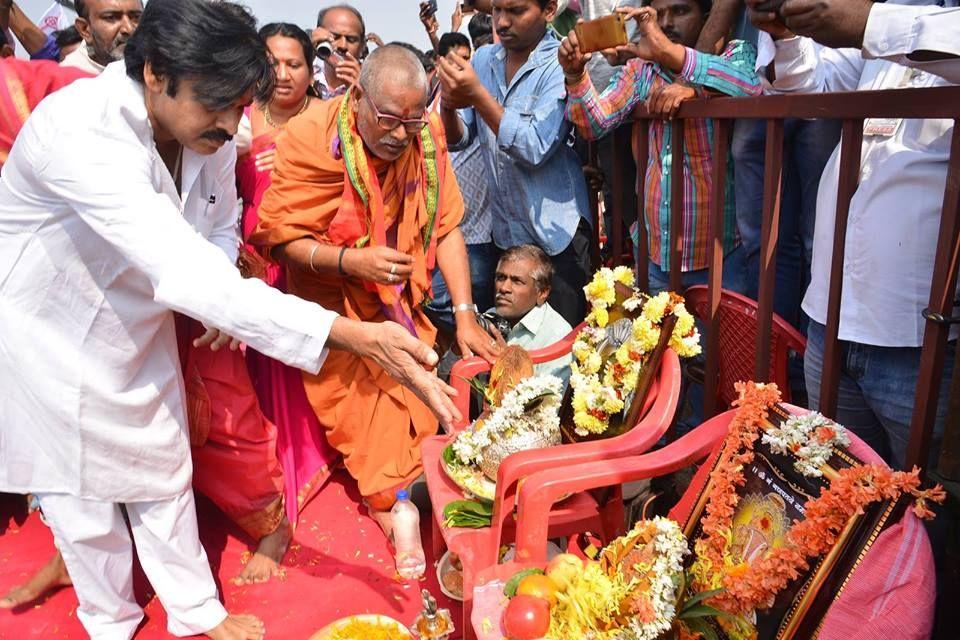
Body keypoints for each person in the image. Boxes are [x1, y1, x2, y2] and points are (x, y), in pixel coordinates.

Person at [0, 3, 458, 640]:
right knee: (82, 493)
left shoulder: (209, 129)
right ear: (157, 74)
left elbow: (214, 227)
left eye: (240, 106)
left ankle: (195, 611)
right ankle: (109, 619)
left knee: (161, 463)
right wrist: (354, 336)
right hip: (53, 329)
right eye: (217, 105)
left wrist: (213, 288)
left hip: (144, 315)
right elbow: (183, 268)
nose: (230, 125)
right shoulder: (80, 132)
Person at [252, 44, 497, 535]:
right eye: (387, 120)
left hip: (399, 304)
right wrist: (351, 261)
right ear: (358, 94)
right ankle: (392, 504)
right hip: (333, 305)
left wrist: (466, 313)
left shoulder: (423, 138)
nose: (399, 136)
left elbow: (447, 225)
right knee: (369, 430)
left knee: (422, 410)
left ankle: (414, 493)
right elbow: (280, 240)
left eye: (410, 122)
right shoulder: (309, 138)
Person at [745, 0, 957, 473]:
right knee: (841, 496)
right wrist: (783, 34)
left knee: (921, 507)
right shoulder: (900, 19)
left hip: (920, 336)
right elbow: (806, 78)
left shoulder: (910, 23)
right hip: (834, 316)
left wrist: (867, 21)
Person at [232, 22, 342, 584]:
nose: (282, 73)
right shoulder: (237, 122)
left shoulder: (325, 123)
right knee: (253, 379)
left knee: (295, 374)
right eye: (271, 62)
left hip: (306, 260)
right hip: (250, 259)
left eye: (294, 63)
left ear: (311, 69)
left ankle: (298, 480)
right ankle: (264, 484)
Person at [562, 2, 762, 294]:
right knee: (658, 341)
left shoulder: (734, 53)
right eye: (660, 14)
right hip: (656, 258)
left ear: (706, 18)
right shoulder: (641, 71)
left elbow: (751, 87)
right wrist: (576, 76)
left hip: (720, 259)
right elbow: (595, 124)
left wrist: (693, 87)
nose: (667, 23)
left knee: (715, 342)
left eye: (680, 11)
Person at [438, 0, 594, 326]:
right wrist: (450, 106)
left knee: (562, 349)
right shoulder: (482, 59)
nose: (502, 22)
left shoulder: (559, 63)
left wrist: (478, 95)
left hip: (556, 237)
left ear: (549, 10)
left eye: (516, 11)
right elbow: (460, 138)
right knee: (515, 351)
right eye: (496, 10)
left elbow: (534, 147)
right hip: (507, 235)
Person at [491, 244, 574, 384]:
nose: (504, 288)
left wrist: (505, 361)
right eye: (500, 278)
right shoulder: (489, 317)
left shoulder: (558, 336)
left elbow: (549, 404)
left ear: (542, 293)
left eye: (517, 281)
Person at [61, 0, 142, 74]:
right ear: (84, 29)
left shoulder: (151, 64)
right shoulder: (67, 80)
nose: (129, 29)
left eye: (136, 17)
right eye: (111, 17)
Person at [311, 4, 365, 99]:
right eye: (334, 37)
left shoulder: (371, 86)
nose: (342, 46)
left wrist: (359, 95)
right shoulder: (304, 73)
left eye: (351, 39)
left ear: (362, 46)